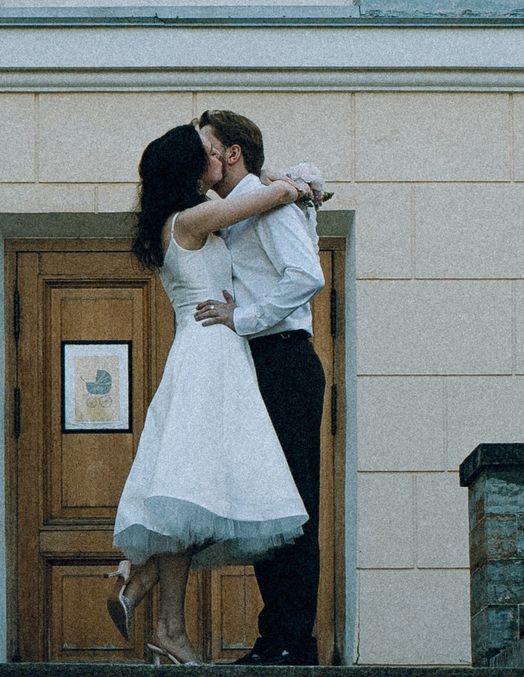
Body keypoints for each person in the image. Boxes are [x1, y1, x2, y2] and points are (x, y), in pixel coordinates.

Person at [108, 125, 312, 666]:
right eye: (206, 155)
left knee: (201, 491)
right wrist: (291, 182)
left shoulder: (176, 220)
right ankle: (166, 622)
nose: (215, 159)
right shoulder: (192, 219)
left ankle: (152, 598)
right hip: (211, 353)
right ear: (190, 168)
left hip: (210, 352)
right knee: (199, 488)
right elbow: (275, 196)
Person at [192, 109, 328, 666]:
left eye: (205, 147)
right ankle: (275, 638)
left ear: (233, 154)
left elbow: (307, 276)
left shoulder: (271, 206)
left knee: (293, 503)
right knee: (267, 500)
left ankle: (294, 641)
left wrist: (240, 317)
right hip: (259, 365)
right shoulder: (240, 206)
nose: (199, 158)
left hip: (285, 362)